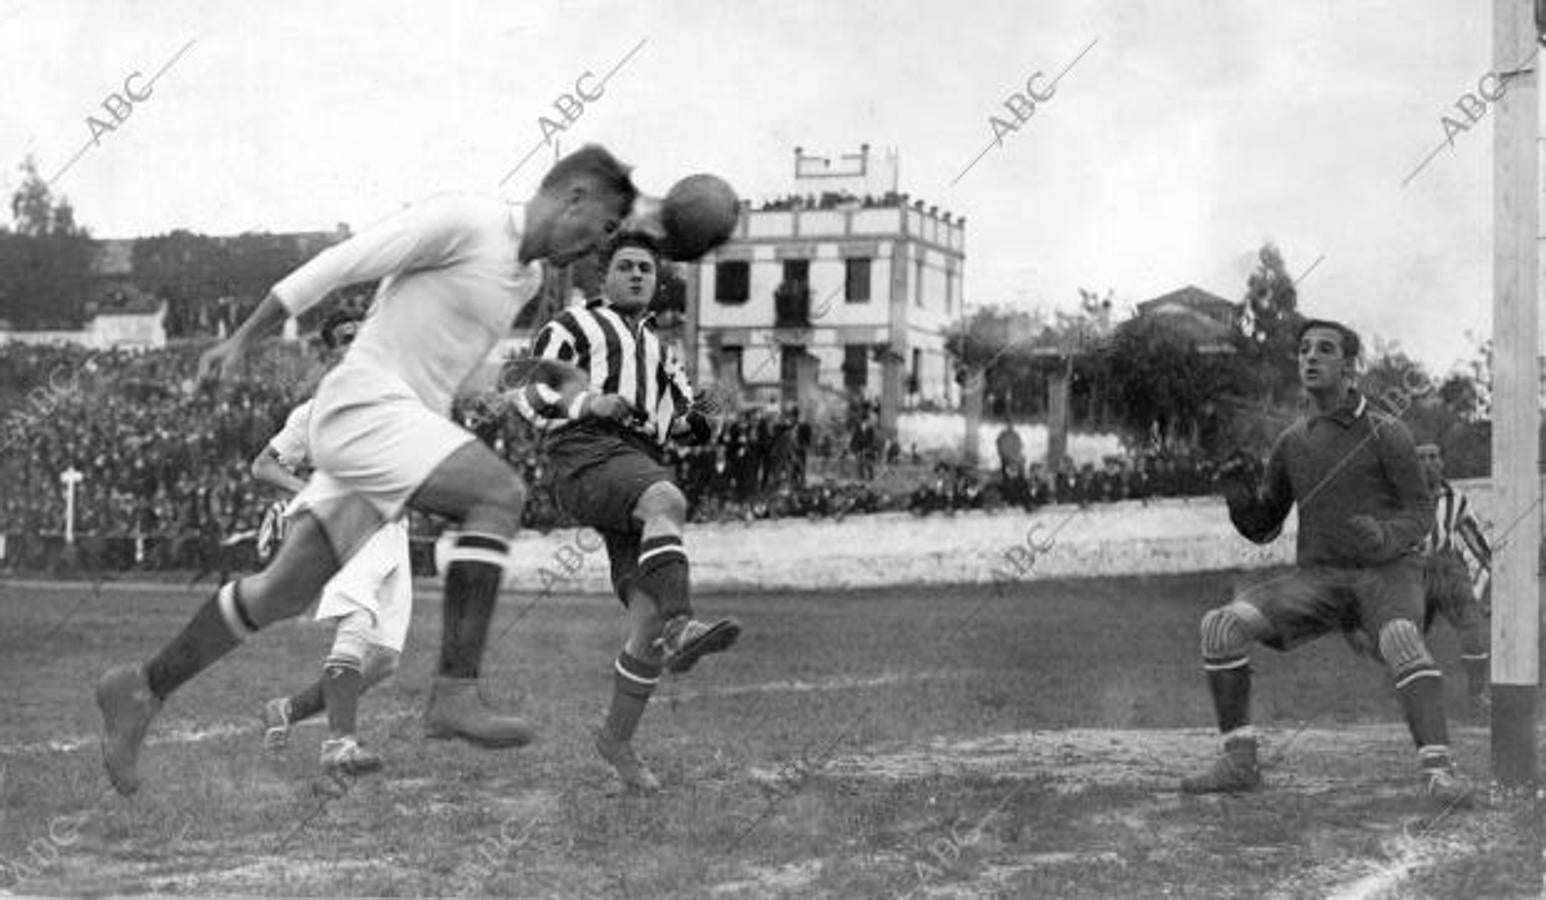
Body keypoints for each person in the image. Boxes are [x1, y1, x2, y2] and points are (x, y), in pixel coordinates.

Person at [94, 144, 725, 797]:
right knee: (497, 494)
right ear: (573, 199)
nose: (586, 251)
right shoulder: (466, 219)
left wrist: (551, 380)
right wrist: (243, 337)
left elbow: (446, 364)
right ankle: (454, 691)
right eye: (595, 231)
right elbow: (341, 263)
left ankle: (140, 687)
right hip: (363, 403)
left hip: (393, 430)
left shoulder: (526, 282)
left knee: (279, 592)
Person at [1183, 319, 1471, 805]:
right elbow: (1264, 527)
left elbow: (1421, 511)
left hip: (1385, 577)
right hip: (1319, 581)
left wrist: (1386, 535)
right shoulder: (1292, 443)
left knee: (1402, 637)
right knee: (1220, 627)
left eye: (1325, 349)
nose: (1310, 357)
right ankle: (1239, 761)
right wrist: (1236, 497)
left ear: (1351, 367)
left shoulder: (1387, 432)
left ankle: (1439, 771)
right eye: (1303, 350)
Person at [516, 230, 739, 793]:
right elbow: (525, 388)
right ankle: (684, 624)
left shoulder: (663, 353)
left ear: (657, 282)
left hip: (633, 459)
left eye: (646, 268)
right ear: (603, 278)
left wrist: (711, 411)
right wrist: (591, 400)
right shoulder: (574, 326)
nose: (638, 274)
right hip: (583, 451)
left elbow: (683, 422)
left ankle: (616, 741)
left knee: (643, 617)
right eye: (626, 266)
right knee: (667, 500)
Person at [251, 310, 413, 776]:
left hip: (392, 531)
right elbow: (263, 465)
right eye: (346, 339)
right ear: (332, 352)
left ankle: (286, 710)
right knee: (356, 618)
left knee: (382, 661)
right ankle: (339, 745)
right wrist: (306, 494)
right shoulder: (314, 412)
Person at [1415, 442, 1491, 714]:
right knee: (1407, 635)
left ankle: (1476, 695)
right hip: (1413, 571)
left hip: (1449, 568)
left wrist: (1493, 566)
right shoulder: (1402, 498)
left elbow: (1473, 536)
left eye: (1433, 457)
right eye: (1421, 458)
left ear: (1442, 462)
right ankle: (1408, 697)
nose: (1428, 463)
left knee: (1472, 626)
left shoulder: (1456, 498)